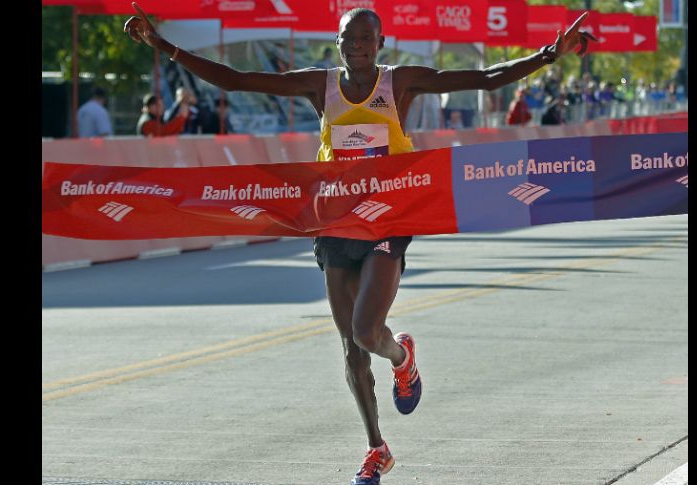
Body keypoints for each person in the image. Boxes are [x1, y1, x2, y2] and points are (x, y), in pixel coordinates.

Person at [124, 4, 595, 484]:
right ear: (338, 42)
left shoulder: (400, 83)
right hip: (336, 221)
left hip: (389, 219)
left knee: (368, 332)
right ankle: (377, 448)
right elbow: (235, 81)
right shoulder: (319, 85)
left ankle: (401, 357)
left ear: (380, 44)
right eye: (350, 38)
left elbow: (487, 78)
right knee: (350, 348)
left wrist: (549, 54)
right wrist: (163, 45)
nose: (358, 47)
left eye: (368, 39)